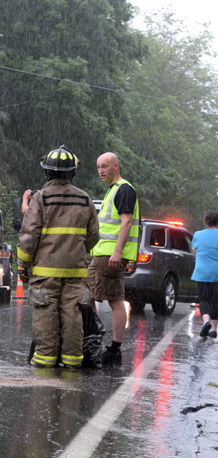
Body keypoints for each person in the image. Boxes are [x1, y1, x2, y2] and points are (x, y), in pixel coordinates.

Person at [17, 146, 100, 368]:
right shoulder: (85, 200)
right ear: (72, 173)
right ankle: (72, 360)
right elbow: (93, 236)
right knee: (73, 315)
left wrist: (23, 265)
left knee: (46, 314)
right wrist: (76, 251)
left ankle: (45, 359)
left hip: (45, 271)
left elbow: (29, 236)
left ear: (47, 173)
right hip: (76, 271)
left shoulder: (40, 198)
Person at [87, 152, 140, 365]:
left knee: (109, 299)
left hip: (109, 255)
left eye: (105, 166)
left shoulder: (124, 189)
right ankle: (103, 344)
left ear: (116, 166)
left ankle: (107, 346)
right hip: (104, 254)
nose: (101, 171)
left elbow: (126, 222)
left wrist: (117, 251)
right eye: (98, 167)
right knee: (94, 295)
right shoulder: (114, 190)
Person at [192, 210, 218, 338]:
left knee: (204, 299)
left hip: (202, 272)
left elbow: (195, 251)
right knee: (216, 301)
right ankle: (213, 329)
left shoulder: (198, 234)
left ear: (206, 221)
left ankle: (206, 321)